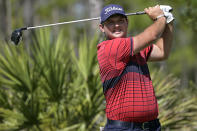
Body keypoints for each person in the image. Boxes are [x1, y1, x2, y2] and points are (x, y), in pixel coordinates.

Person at [97, 4, 174, 131]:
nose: (117, 26)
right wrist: (160, 17)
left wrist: (169, 21)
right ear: (102, 28)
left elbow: (162, 52)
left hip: (152, 126)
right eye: (111, 22)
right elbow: (153, 35)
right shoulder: (110, 47)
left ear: (127, 22)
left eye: (120, 21)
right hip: (123, 128)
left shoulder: (136, 49)